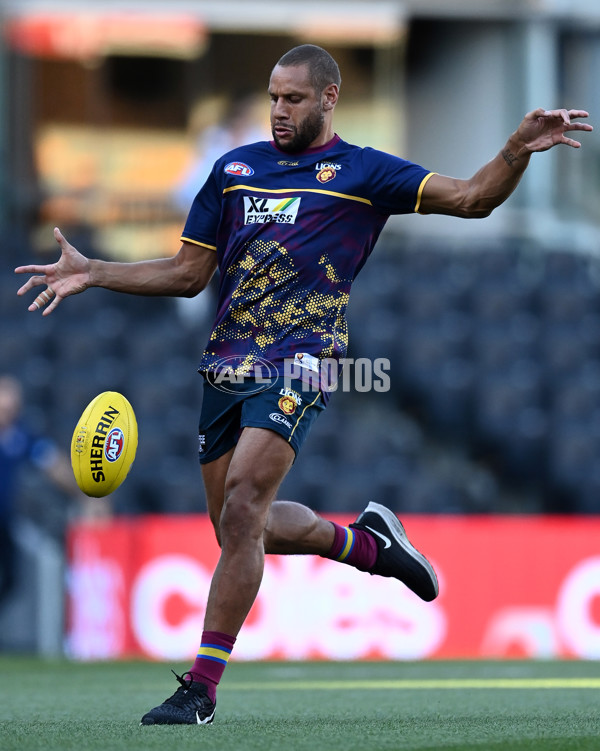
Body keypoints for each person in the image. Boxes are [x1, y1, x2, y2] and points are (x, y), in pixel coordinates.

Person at [15, 44, 591, 725]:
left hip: (303, 358)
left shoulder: (363, 170)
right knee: (239, 528)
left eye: (293, 98)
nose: (279, 110)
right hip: (226, 365)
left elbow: (470, 198)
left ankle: (200, 687)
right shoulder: (233, 170)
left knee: (241, 512)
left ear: (328, 98)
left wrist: (516, 149)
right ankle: (369, 544)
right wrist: (95, 271)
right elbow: (186, 273)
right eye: (272, 97)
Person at [0, 375, 95, 615]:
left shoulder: (21, 437)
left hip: (6, 521)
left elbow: (53, 465)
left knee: (11, 580)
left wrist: (83, 495)